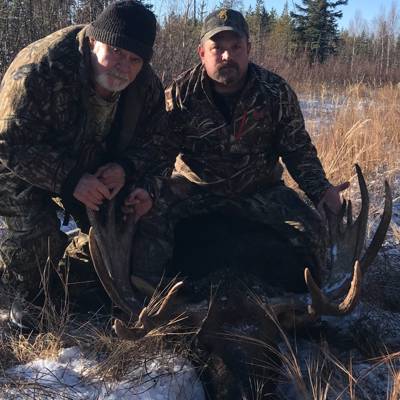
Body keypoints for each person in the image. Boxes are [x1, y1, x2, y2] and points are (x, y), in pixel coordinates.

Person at [124, 8, 349, 291]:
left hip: (261, 188)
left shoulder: (275, 92)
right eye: (217, 48)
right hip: (195, 188)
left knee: (313, 230)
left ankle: (315, 300)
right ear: (202, 53)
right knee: (147, 222)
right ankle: (151, 299)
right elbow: (160, 152)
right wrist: (148, 190)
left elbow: (297, 149)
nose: (227, 56)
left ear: (248, 49)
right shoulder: (180, 94)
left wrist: (320, 190)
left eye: (235, 47)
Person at [0, 0, 161, 328]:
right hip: (22, 165)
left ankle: (70, 278)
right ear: (92, 41)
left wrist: (126, 169)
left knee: (131, 231)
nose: (124, 66)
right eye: (116, 51)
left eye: (134, 59)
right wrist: (70, 178)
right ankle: (23, 289)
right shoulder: (42, 66)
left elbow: (157, 145)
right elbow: (9, 143)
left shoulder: (145, 86)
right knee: (38, 241)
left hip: (93, 167)